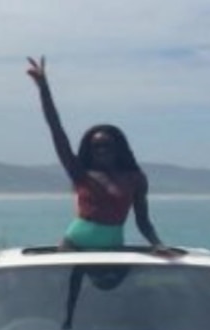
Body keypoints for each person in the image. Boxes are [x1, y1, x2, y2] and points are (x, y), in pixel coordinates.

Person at [26, 56, 176, 255]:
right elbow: (56, 130)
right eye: (95, 146)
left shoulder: (135, 179)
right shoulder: (81, 173)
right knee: (70, 287)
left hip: (112, 247)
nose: (101, 150)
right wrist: (43, 88)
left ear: (118, 148)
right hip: (73, 246)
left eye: (106, 145)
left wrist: (158, 244)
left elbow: (143, 221)